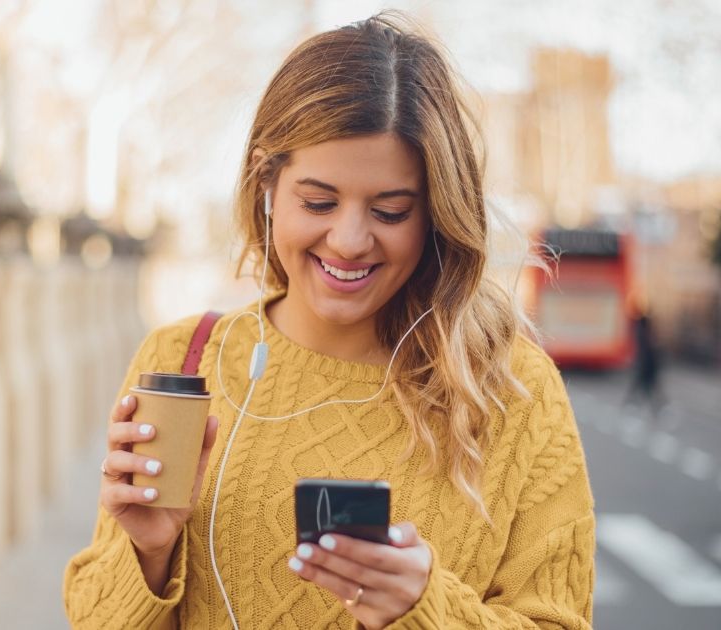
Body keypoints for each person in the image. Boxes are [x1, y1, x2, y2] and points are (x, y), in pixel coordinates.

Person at [64, 13, 595, 629]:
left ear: (435, 213)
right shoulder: (183, 359)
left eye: (390, 211)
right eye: (318, 202)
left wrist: (424, 610)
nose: (348, 240)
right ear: (266, 182)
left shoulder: (511, 390)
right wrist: (149, 553)